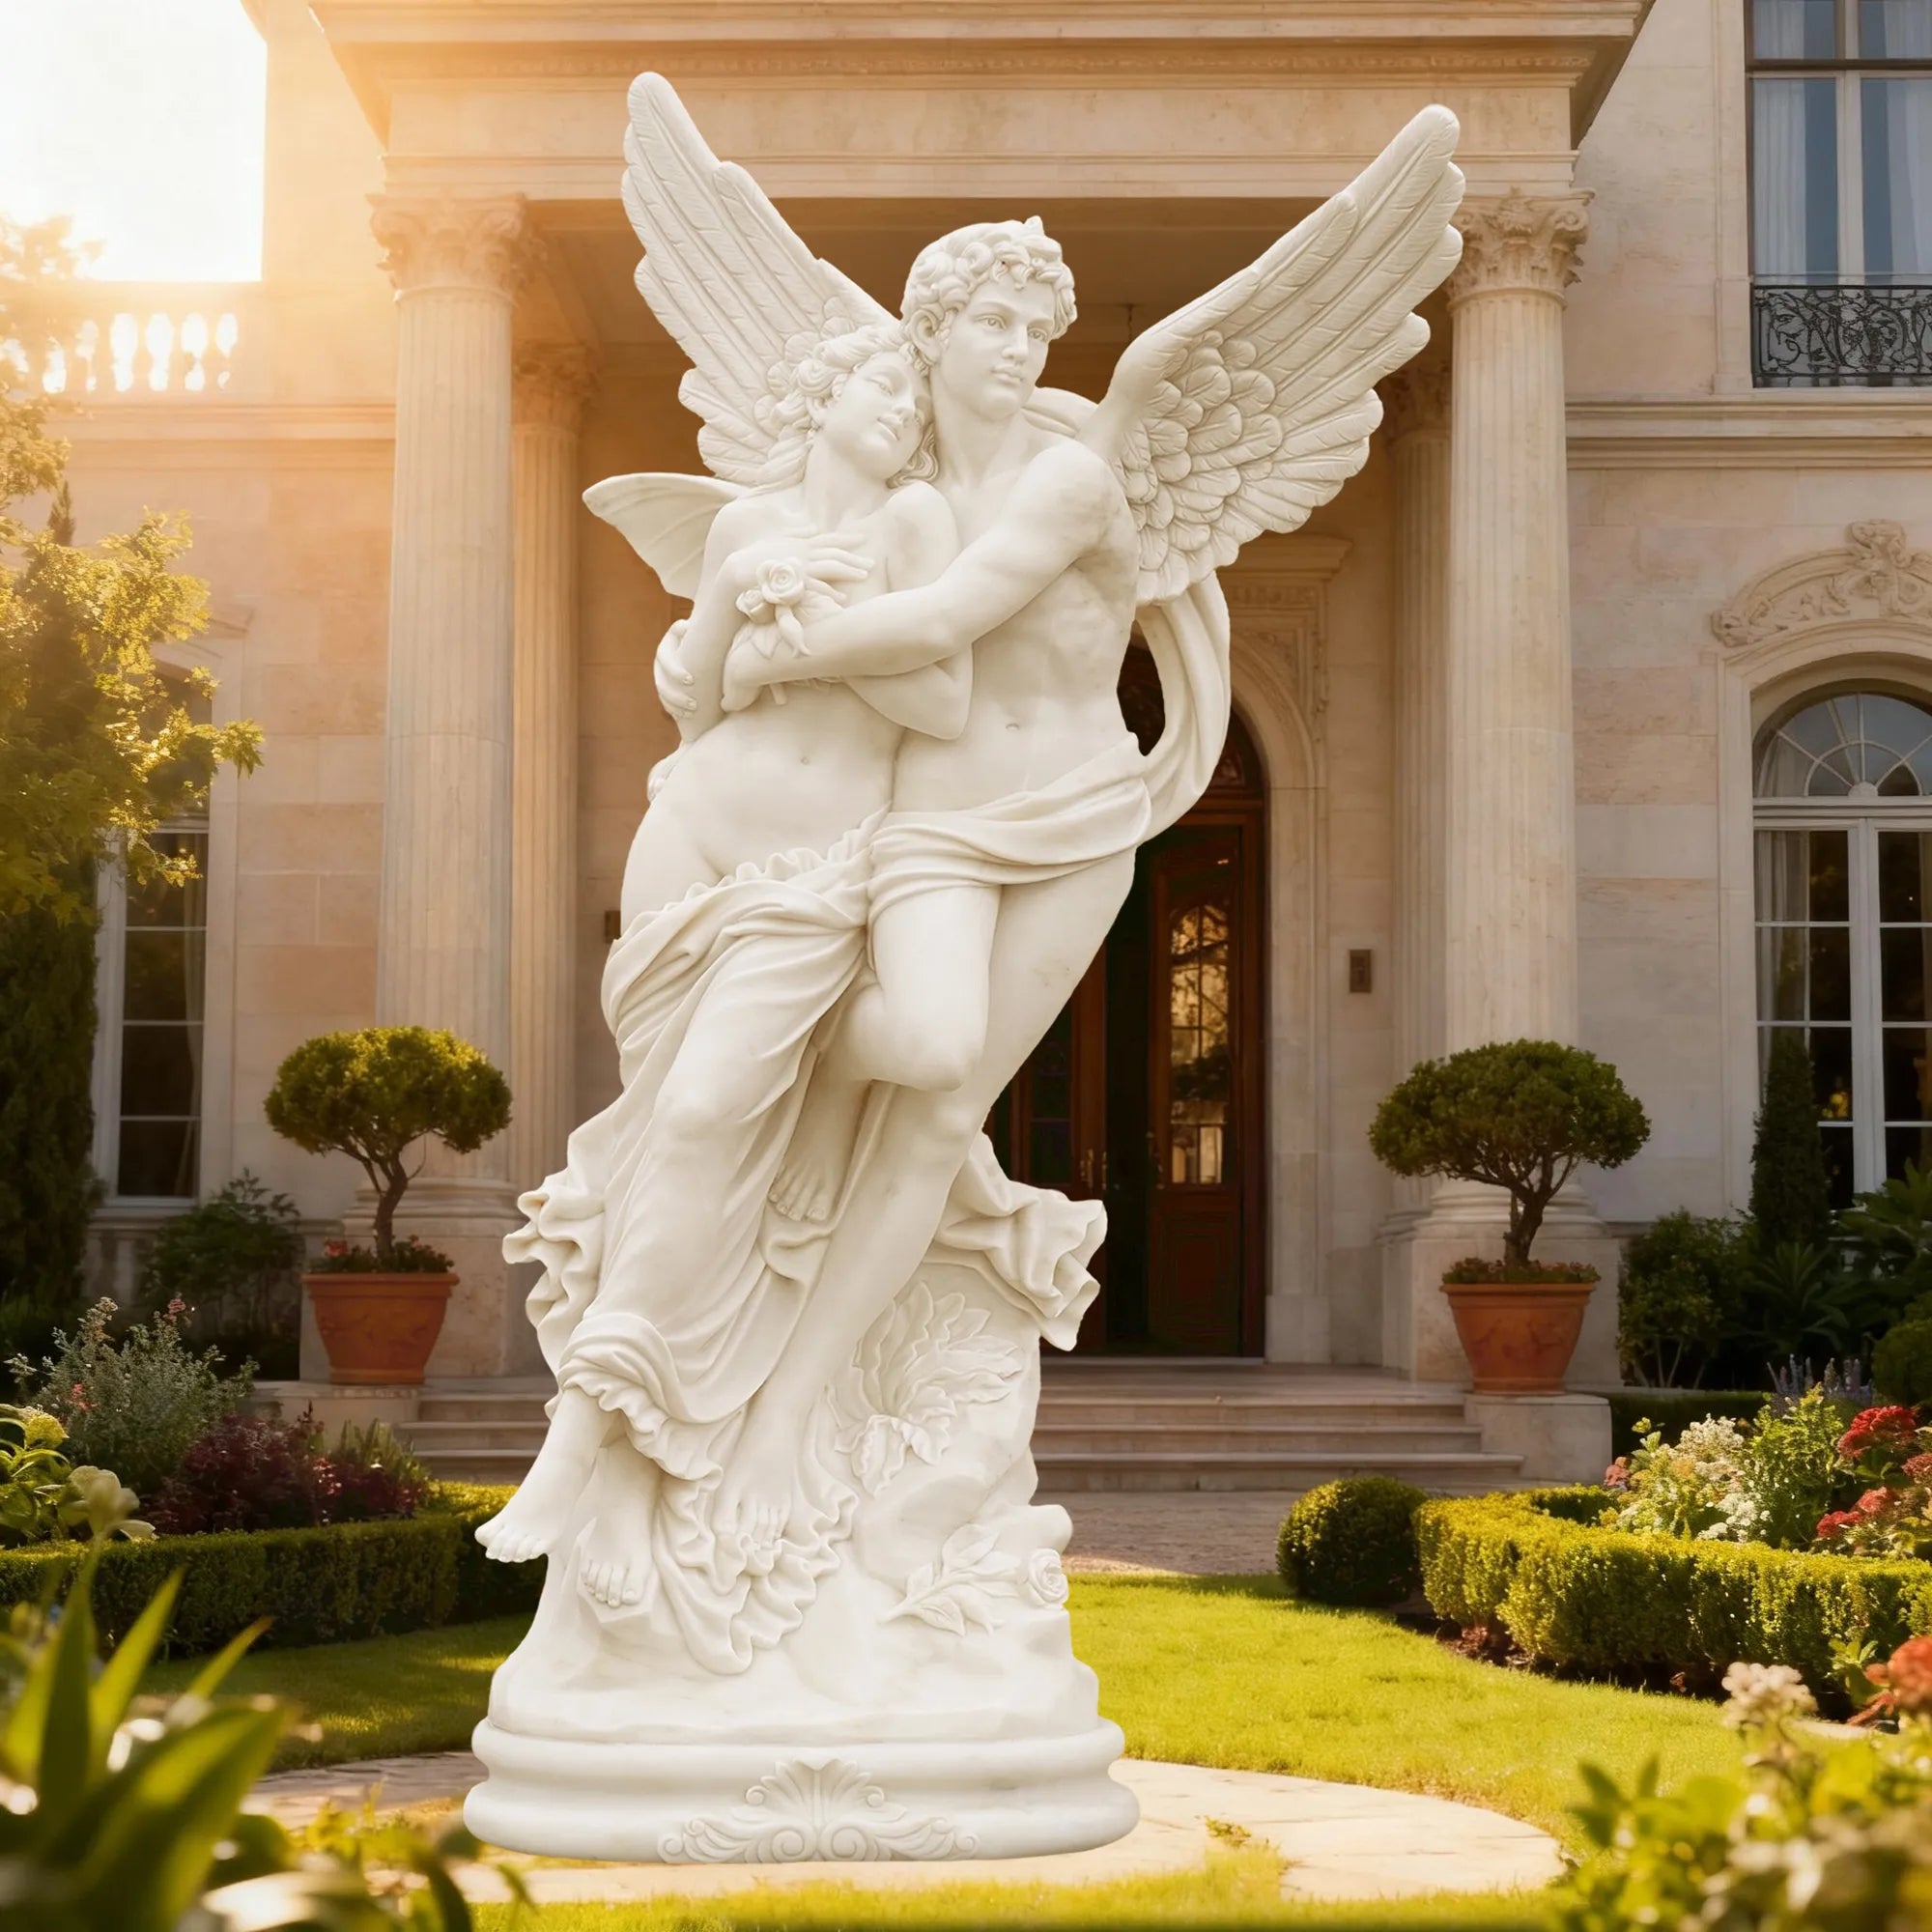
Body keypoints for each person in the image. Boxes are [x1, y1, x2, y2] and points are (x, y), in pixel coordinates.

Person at [476, 324, 965, 1644]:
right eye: (881, 383)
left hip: (814, 875)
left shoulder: (918, 523)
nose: (904, 410)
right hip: (690, 832)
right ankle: (639, 1486)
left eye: (916, 395)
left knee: (695, 1122)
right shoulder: (745, 526)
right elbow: (701, 697)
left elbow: (945, 693)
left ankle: (583, 1435)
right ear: (820, 393)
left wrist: (794, 647)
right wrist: (741, 659)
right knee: (662, 1137)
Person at [707, 220, 1179, 1545]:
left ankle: (789, 1412)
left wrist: (770, 657)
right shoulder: (897, 485)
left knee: (939, 1104)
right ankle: (793, 1055)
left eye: (1038, 329)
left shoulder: (1068, 478)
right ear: (932, 333)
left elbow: (938, 625)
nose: (1021, 349)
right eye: (994, 323)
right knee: (918, 1036)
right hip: (934, 818)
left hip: (1077, 809)